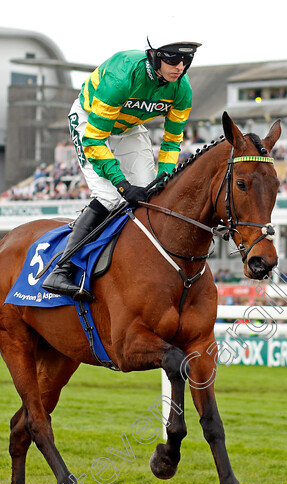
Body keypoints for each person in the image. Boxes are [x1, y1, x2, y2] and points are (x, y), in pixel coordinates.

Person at [42, 37, 201, 299]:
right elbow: (94, 139)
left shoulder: (182, 89)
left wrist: (164, 175)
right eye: (173, 58)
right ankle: (62, 268)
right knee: (111, 198)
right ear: (153, 55)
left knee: (153, 196)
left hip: (128, 128)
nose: (180, 66)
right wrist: (123, 184)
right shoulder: (122, 76)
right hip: (91, 124)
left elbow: (172, 141)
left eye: (187, 59)